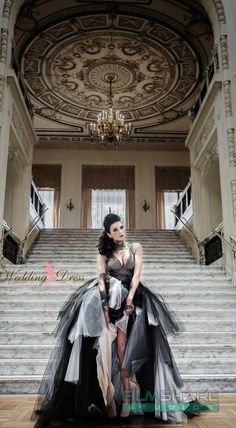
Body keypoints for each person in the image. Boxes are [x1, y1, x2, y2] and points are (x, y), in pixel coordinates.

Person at [31, 213, 203, 427]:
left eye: (121, 227)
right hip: (108, 300)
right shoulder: (103, 252)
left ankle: (128, 403)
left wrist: (130, 298)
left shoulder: (136, 247)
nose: (120, 231)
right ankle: (109, 403)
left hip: (133, 298)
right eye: (115, 229)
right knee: (102, 351)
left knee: (125, 353)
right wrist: (104, 306)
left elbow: (137, 275)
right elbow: (102, 279)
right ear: (108, 234)